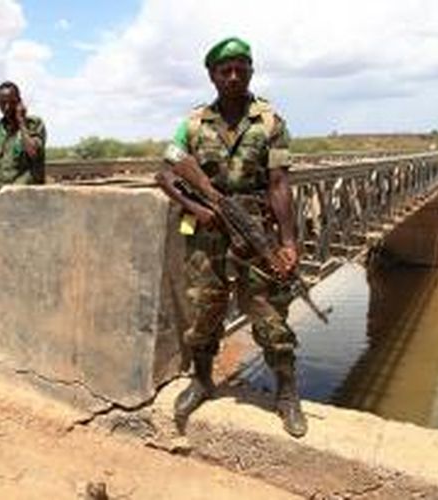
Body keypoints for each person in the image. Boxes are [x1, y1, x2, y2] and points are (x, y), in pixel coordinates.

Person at [155, 37, 307, 437]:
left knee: (269, 313)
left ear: (252, 71)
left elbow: (279, 184)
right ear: (212, 75)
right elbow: (167, 174)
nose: (234, 75)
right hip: (207, 236)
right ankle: (203, 381)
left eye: (242, 67)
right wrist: (202, 210)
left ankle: (287, 394)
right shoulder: (192, 123)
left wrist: (288, 242)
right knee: (204, 309)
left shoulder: (271, 122)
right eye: (226, 70)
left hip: (255, 230)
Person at [0, 81, 47, 191]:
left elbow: (33, 152)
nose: (7, 107)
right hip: (1, 193)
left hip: (27, 195)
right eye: (2, 103)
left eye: (11, 102)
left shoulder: (34, 124)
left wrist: (21, 122)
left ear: (19, 101)